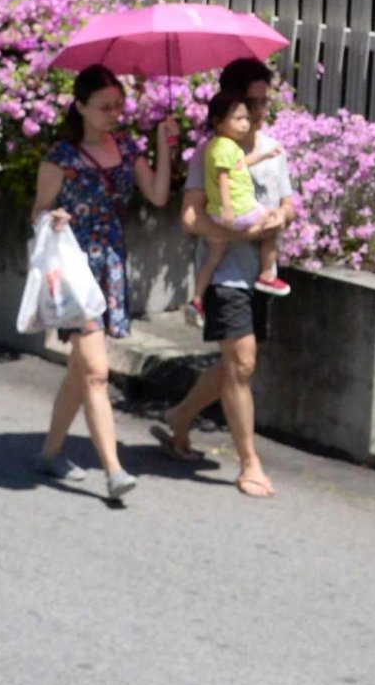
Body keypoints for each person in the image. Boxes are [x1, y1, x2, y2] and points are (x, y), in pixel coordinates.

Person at [35, 64, 170, 506]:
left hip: (109, 263)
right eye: (104, 106)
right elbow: (37, 212)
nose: (114, 113)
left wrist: (165, 149)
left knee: (80, 370)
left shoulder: (129, 148)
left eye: (118, 105)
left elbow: (158, 196)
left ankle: (51, 452)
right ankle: (113, 471)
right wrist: (52, 219)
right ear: (80, 107)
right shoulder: (62, 157)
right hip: (74, 268)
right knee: (95, 370)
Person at [159, 56, 293, 498]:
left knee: (237, 363)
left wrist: (278, 218)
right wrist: (239, 232)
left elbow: (289, 202)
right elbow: (191, 218)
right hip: (224, 274)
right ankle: (250, 463)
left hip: (262, 272)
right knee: (243, 364)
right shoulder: (210, 152)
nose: (257, 112)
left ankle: (180, 416)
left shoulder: (274, 149)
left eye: (262, 102)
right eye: (249, 102)